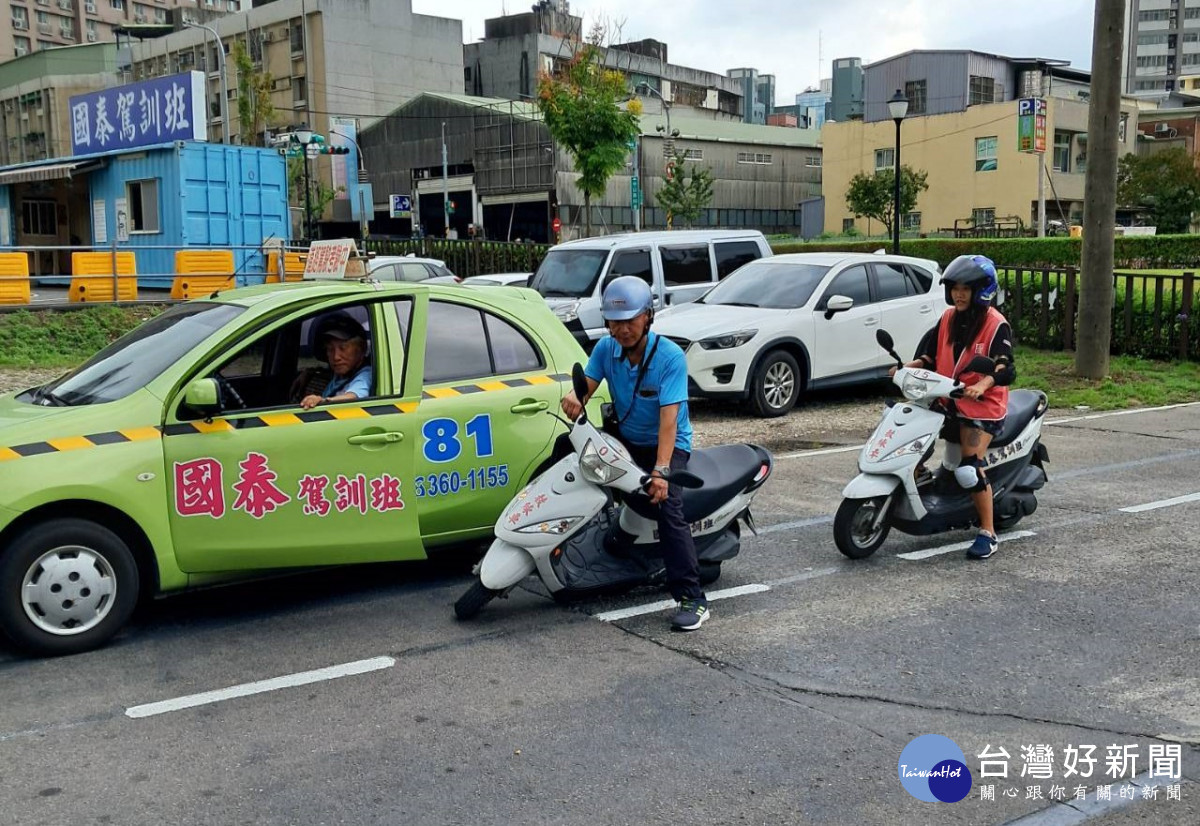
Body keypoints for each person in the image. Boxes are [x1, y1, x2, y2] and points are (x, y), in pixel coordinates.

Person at [560, 276, 708, 631]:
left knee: (667, 507)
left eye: (630, 320)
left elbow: (669, 420)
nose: (622, 329)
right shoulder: (605, 350)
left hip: (666, 446)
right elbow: (588, 387)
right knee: (567, 457)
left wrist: (661, 471)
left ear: (647, 318)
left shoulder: (669, 358)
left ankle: (692, 597)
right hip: (625, 438)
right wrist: (575, 397)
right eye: (615, 321)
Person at [893, 254, 1016, 560]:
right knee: (908, 434)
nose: (959, 294)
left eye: (966, 288)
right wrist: (910, 367)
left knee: (969, 470)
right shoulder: (948, 318)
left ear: (982, 290)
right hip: (947, 397)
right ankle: (922, 480)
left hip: (982, 407)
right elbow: (931, 355)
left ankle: (988, 532)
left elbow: (1005, 367)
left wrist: (982, 385)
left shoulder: (996, 325)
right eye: (955, 288)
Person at [300, 313, 373, 410]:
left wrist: (321, 401)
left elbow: (352, 397)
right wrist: (308, 373)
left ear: (361, 349)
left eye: (343, 348)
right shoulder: (341, 373)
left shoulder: (366, 375)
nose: (336, 357)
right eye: (330, 349)